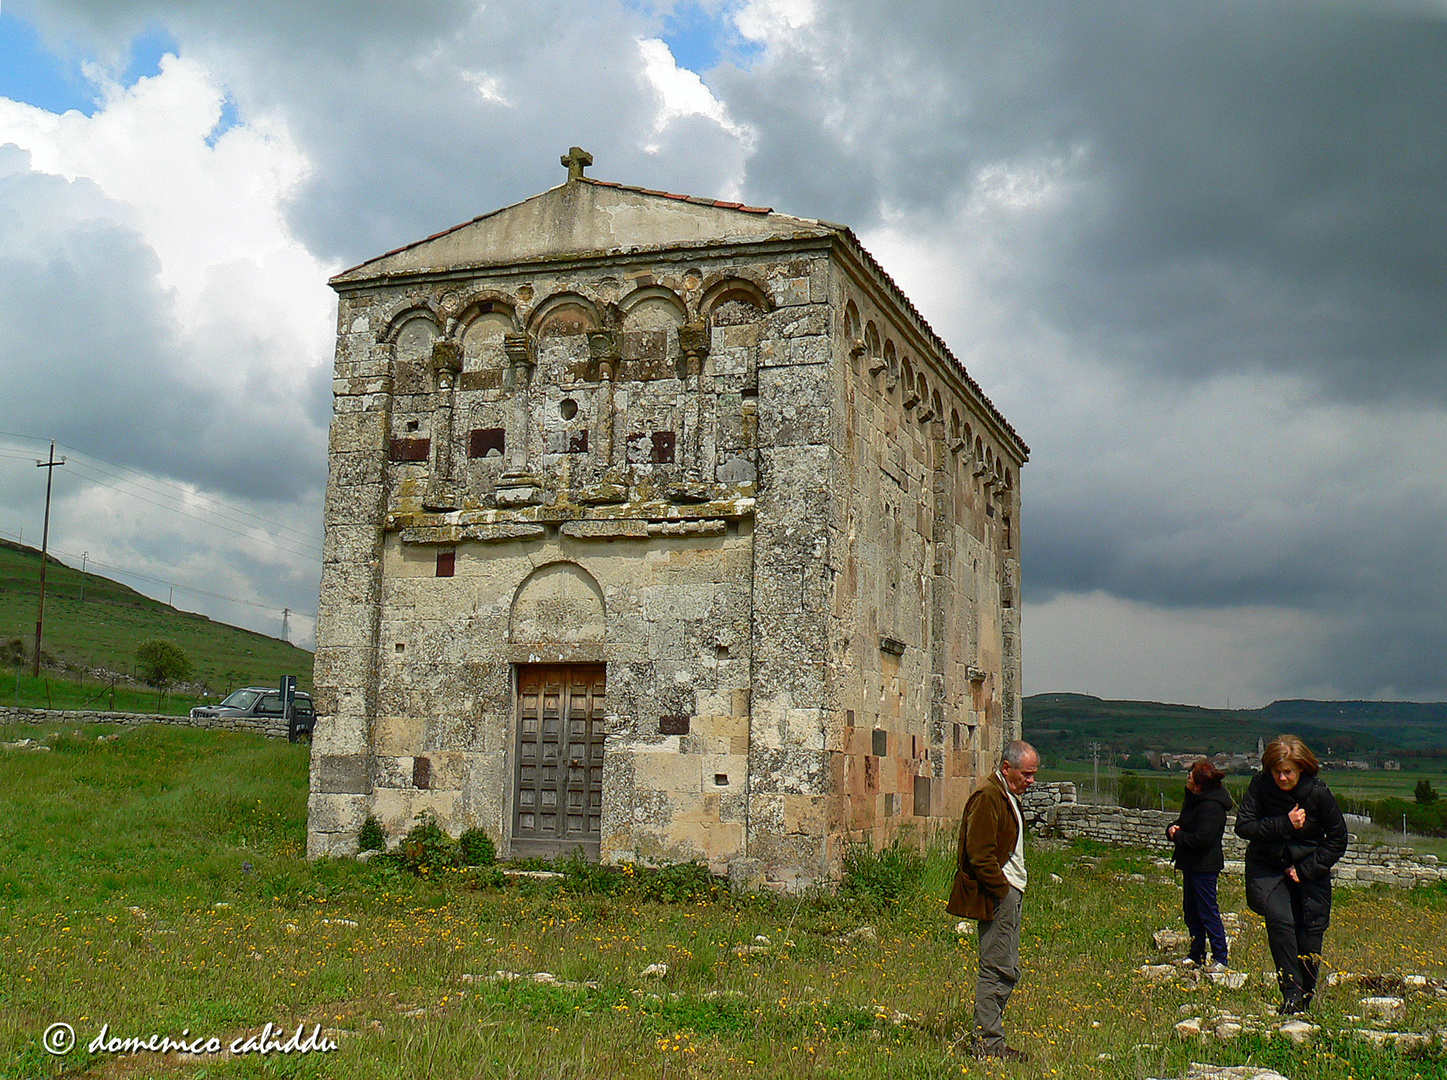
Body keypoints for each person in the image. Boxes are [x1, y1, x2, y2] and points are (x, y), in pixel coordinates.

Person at [1234, 735, 1348, 1014]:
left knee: (1309, 936)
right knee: (1281, 924)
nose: (1282, 778)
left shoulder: (1318, 793)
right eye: (1277, 772)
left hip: (1310, 872)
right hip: (1268, 869)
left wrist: (1305, 870)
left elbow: (1337, 839)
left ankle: (1306, 997)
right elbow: (1244, 826)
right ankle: (1291, 994)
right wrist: (1284, 823)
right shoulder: (1260, 787)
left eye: (1288, 772)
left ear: (1301, 769)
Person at [946, 740, 1040, 1062]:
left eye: (1033, 775)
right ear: (1006, 768)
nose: (1031, 781)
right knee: (997, 968)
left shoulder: (1007, 795)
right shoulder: (989, 797)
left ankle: (990, 1040)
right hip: (1000, 894)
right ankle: (988, 1045)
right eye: (1026, 774)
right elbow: (979, 854)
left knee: (1006, 967)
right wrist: (1003, 891)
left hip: (1009, 892)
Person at [1166, 759, 1233, 969]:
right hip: (1191, 864)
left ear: (1198, 785)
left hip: (1204, 866)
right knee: (1191, 911)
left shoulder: (1211, 807)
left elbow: (1201, 839)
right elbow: (1183, 823)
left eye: (1190, 776)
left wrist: (1177, 836)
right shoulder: (1196, 800)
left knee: (1207, 910)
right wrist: (1173, 829)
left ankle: (1220, 957)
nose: (1186, 778)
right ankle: (1196, 954)